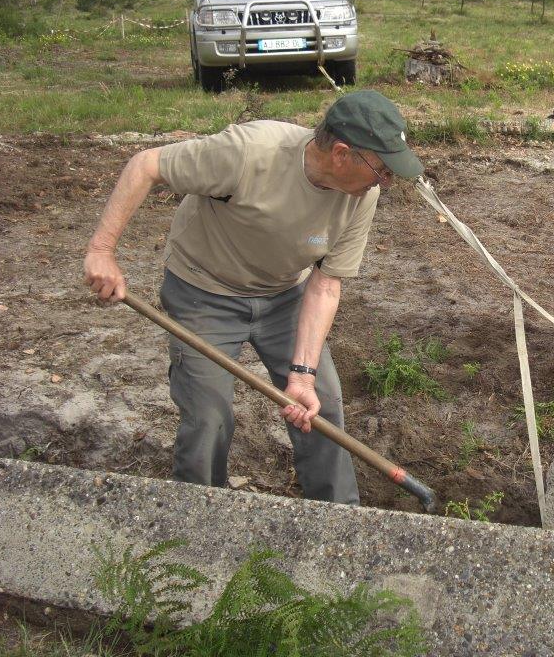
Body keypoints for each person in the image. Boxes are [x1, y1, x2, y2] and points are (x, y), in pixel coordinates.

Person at [83, 91, 424, 502]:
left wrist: (301, 375)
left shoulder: (362, 197)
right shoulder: (249, 153)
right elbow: (146, 166)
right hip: (203, 294)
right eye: (382, 169)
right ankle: (199, 518)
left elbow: (325, 284)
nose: (385, 181)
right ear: (341, 154)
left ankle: (340, 519)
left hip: (285, 296)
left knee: (324, 405)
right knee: (208, 417)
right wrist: (102, 250)